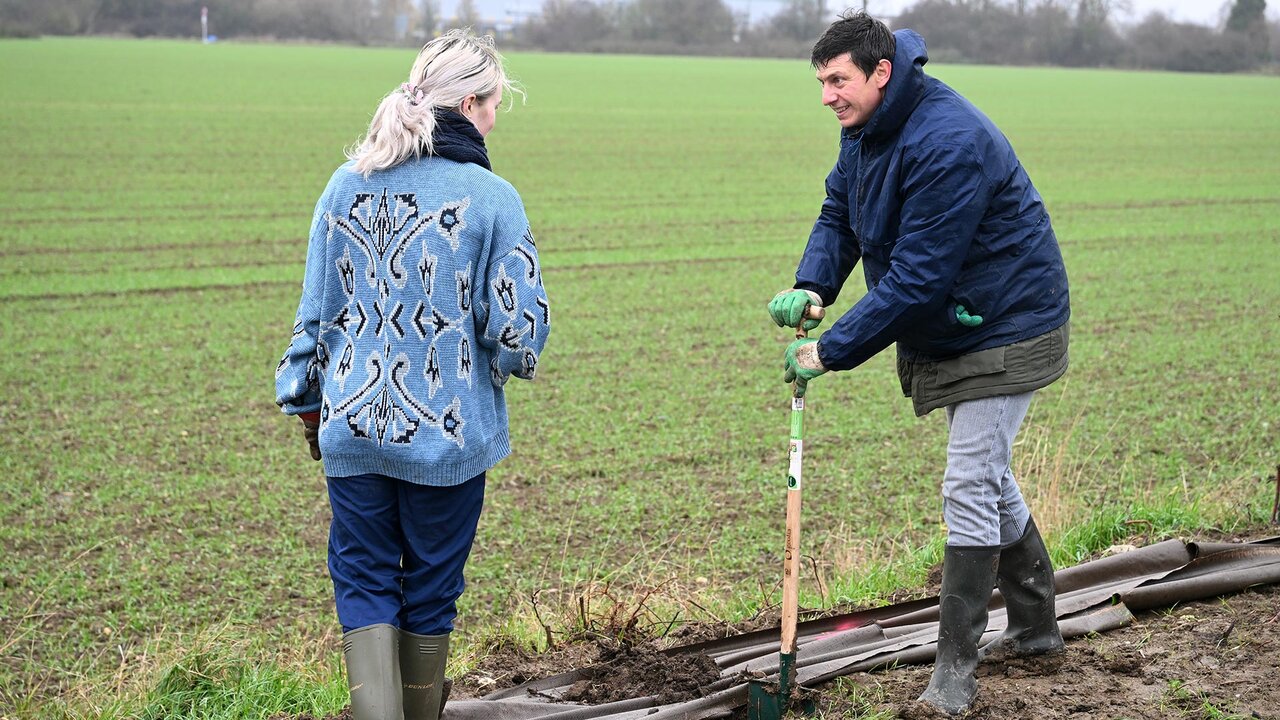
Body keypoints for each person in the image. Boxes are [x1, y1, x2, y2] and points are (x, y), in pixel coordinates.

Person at [769, 11, 1069, 716]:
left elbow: (917, 279)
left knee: (969, 478)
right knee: (986, 474)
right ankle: (1036, 630)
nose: (827, 97)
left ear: (880, 72)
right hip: (961, 322)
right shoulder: (868, 126)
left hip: (1008, 325)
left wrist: (830, 350)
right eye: (820, 81)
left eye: (837, 80)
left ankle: (954, 675)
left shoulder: (948, 141)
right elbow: (840, 211)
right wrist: (815, 285)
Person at [274, 29, 550, 720]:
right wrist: (500, 364)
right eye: (492, 107)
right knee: (430, 589)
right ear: (470, 103)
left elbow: (316, 314)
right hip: (447, 441)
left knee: (363, 580)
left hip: (352, 429)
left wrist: (306, 402)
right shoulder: (492, 197)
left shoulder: (344, 185)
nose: (494, 121)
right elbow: (519, 332)